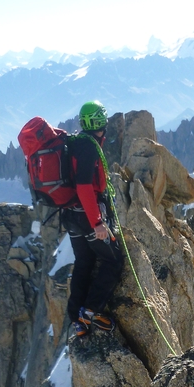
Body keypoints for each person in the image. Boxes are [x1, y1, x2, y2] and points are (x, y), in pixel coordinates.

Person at [62, 100, 124, 335]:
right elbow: (84, 186)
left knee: (84, 262)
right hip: (86, 217)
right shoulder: (88, 147)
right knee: (113, 260)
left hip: (71, 215)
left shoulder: (76, 142)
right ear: (102, 122)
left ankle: (76, 318)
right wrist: (97, 222)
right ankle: (89, 313)